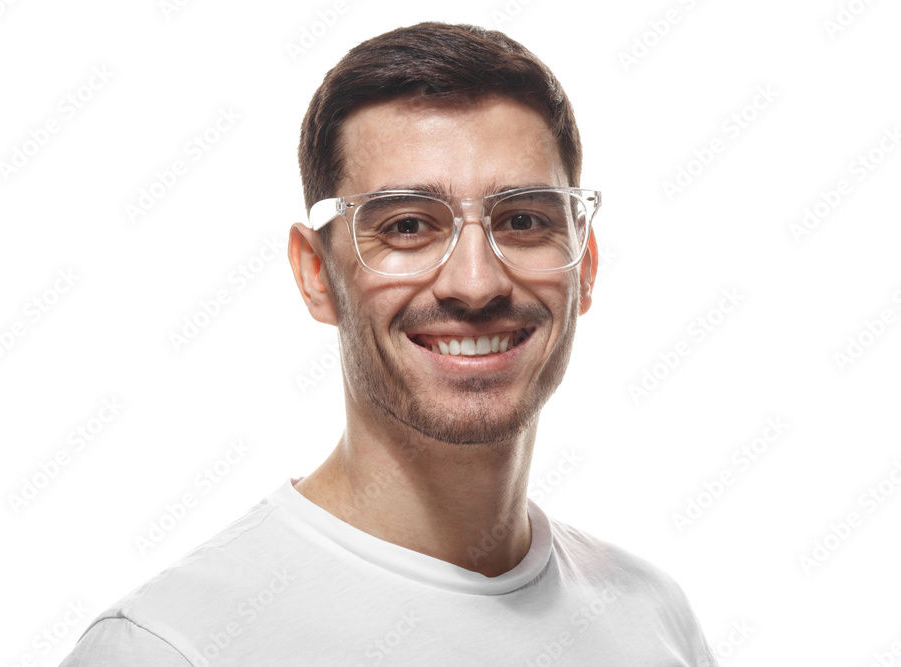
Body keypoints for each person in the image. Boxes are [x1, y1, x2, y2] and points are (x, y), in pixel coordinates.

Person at [61, 22, 717, 666]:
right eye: (407, 225)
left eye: (523, 220)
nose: (475, 282)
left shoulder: (653, 620)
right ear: (316, 274)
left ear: (586, 265)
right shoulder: (166, 646)